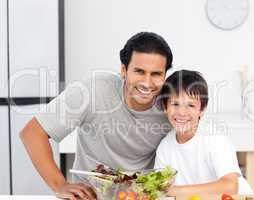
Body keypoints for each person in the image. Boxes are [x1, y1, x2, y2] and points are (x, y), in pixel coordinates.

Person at [20, 32, 173, 200]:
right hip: (91, 196)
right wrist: (60, 185)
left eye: (156, 74)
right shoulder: (93, 90)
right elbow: (32, 133)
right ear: (124, 70)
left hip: (141, 196)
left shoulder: (171, 105)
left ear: (165, 75)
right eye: (139, 71)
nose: (147, 82)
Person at [154, 70, 253, 197]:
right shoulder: (165, 147)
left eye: (191, 105)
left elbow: (230, 186)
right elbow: (160, 190)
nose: (182, 112)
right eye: (175, 104)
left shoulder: (214, 139)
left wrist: (176, 190)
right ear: (165, 106)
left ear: (202, 110)